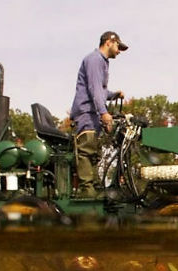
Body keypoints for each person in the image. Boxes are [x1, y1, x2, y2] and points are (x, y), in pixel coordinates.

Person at [70, 31, 128, 197]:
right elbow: (94, 89)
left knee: (94, 153)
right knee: (87, 151)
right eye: (118, 46)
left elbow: (100, 91)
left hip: (92, 113)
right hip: (87, 112)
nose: (119, 51)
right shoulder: (95, 60)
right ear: (109, 42)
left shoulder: (102, 62)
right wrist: (104, 113)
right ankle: (87, 191)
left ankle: (94, 187)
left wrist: (113, 94)